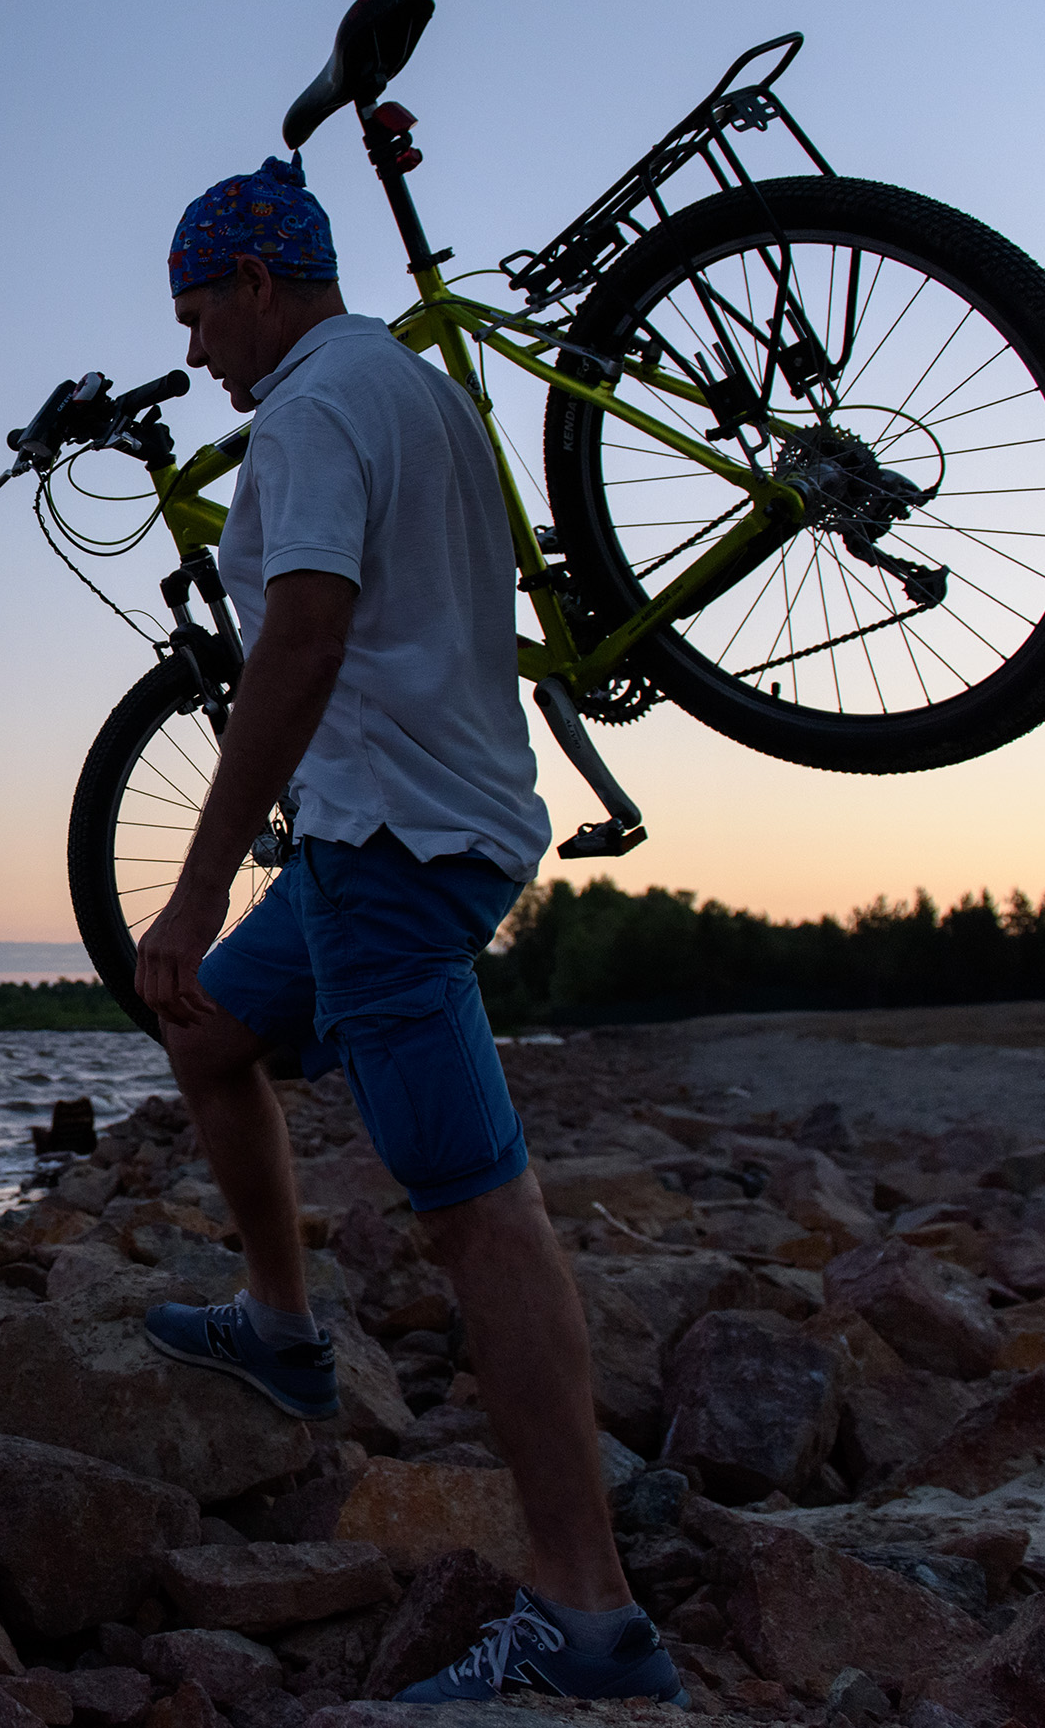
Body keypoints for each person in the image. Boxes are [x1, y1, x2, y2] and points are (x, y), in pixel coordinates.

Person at [130, 157, 687, 1709]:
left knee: (479, 1214)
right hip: (404, 827)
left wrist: (196, 882)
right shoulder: (420, 390)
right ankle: (282, 1326)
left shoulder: (311, 407)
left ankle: (588, 1617)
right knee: (205, 1027)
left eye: (197, 313)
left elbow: (301, 639)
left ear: (257, 283)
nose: (194, 349)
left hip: (392, 851)